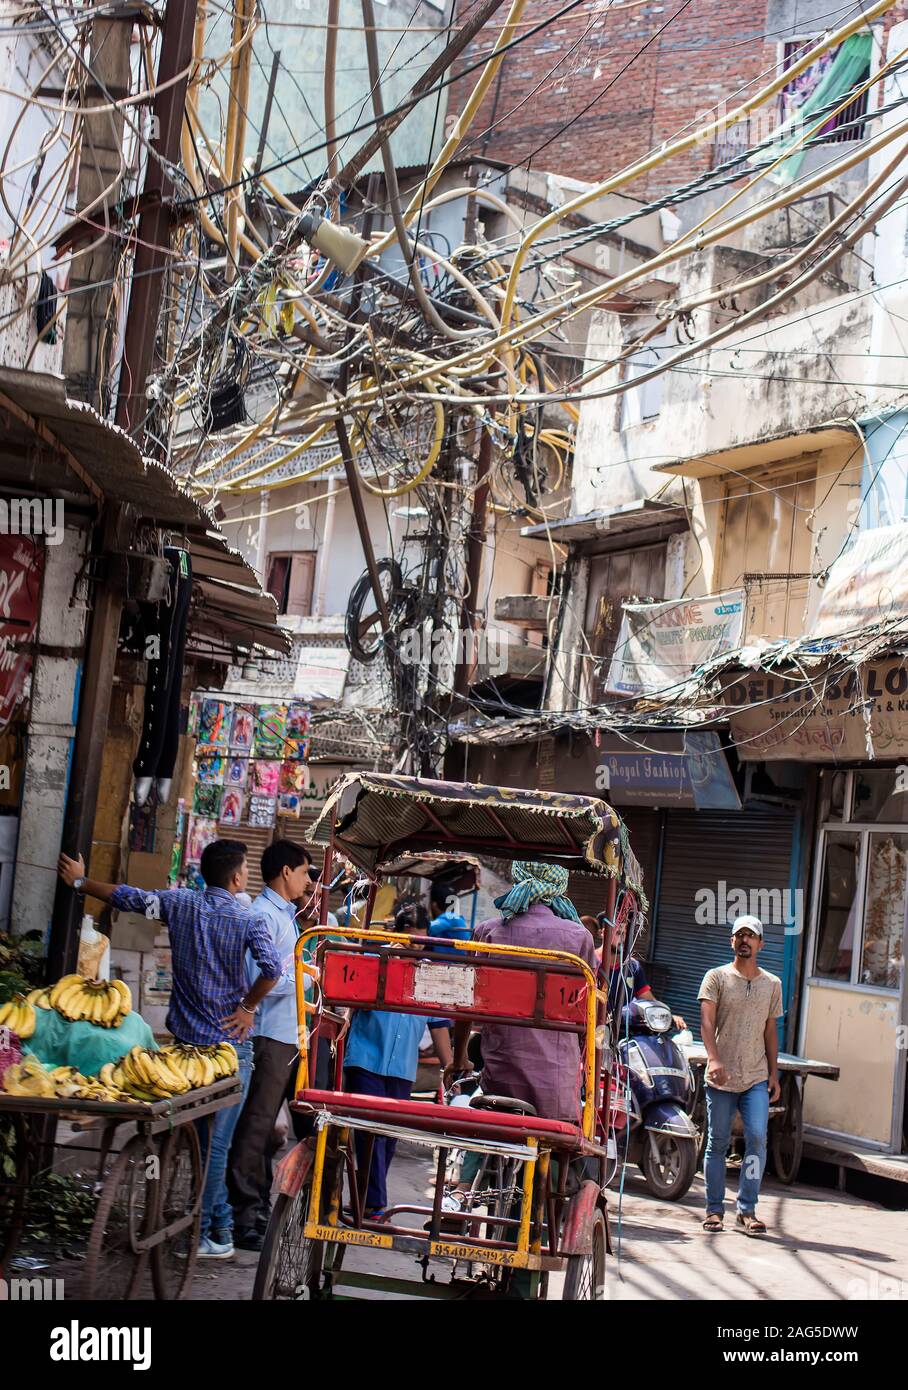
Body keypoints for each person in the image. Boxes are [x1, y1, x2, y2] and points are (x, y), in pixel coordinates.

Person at [57, 840, 282, 1260]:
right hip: (230, 1052)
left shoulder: (180, 904)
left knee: (199, 1142)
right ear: (236, 877)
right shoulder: (249, 920)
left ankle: (215, 1230)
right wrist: (247, 1007)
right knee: (214, 1146)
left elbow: (128, 897)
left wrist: (82, 881)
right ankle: (212, 1231)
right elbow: (273, 969)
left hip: (186, 1051)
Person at [448, 861, 598, 1122]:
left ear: (518, 877)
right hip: (557, 1086)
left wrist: (459, 1058)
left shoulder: (489, 931)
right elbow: (589, 1013)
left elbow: (466, 1003)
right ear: (559, 885)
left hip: (500, 1076)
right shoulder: (580, 936)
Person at [228, 840, 313, 1251]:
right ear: (285, 872)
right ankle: (245, 1217)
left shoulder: (285, 916)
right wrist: (307, 980)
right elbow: (257, 979)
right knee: (256, 1125)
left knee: (272, 1130)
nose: (308, 881)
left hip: (288, 1035)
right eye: (304, 872)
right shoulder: (263, 915)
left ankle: (260, 1208)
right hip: (268, 1036)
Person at [699, 915, 783, 1237]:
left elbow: (771, 1030)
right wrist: (714, 1059)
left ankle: (746, 1211)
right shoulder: (716, 977)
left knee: (757, 1140)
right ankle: (714, 1210)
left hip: (756, 1078)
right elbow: (706, 1022)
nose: (745, 940)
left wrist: (774, 1074)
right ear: (731, 941)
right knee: (717, 1142)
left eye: (752, 935)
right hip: (721, 1078)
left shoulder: (772, 984)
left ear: (761, 943)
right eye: (740, 935)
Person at [344, 968, 451, 1219]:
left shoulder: (427, 974)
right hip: (365, 1059)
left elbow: (438, 1024)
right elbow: (354, 999)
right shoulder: (375, 962)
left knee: (389, 1135)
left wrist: (451, 1067)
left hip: (402, 1067)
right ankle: (375, 1203)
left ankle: (365, 1198)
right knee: (370, 1131)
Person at [601, 911, 686, 1031]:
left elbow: (648, 1000)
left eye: (625, 934)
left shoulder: (633, 967)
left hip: (621, 1034)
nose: (623, 939)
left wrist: (668, 1016)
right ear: (603, 934)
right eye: (618, 933)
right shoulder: (590, 962)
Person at [426, 883, 471, 954]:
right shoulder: (455, 917)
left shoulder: (450, 918)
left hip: (450, 962)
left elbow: (426, 929)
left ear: (434, 904)